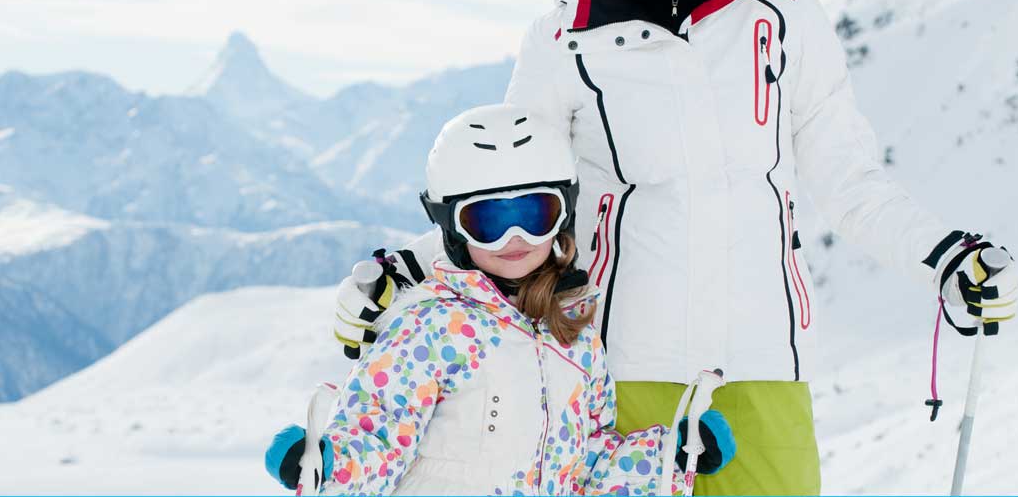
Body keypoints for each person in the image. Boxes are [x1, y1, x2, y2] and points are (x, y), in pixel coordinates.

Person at [332, 0, 1018, 496]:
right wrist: (406, 271)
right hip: (621, 365)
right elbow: (512, 192)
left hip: (762, 364)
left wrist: (947, 257)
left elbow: (849, 178)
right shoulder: (562, 37)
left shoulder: (782, 11)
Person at [269, 104, 735, 495]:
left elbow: (590, 458)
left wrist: (670, 453)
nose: (514, 238)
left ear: (564, 214)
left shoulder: (572, 332)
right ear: (451, 226)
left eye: (535, 212)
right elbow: (381, 430)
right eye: (488, 221)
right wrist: (328, 464)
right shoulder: (429, 326)